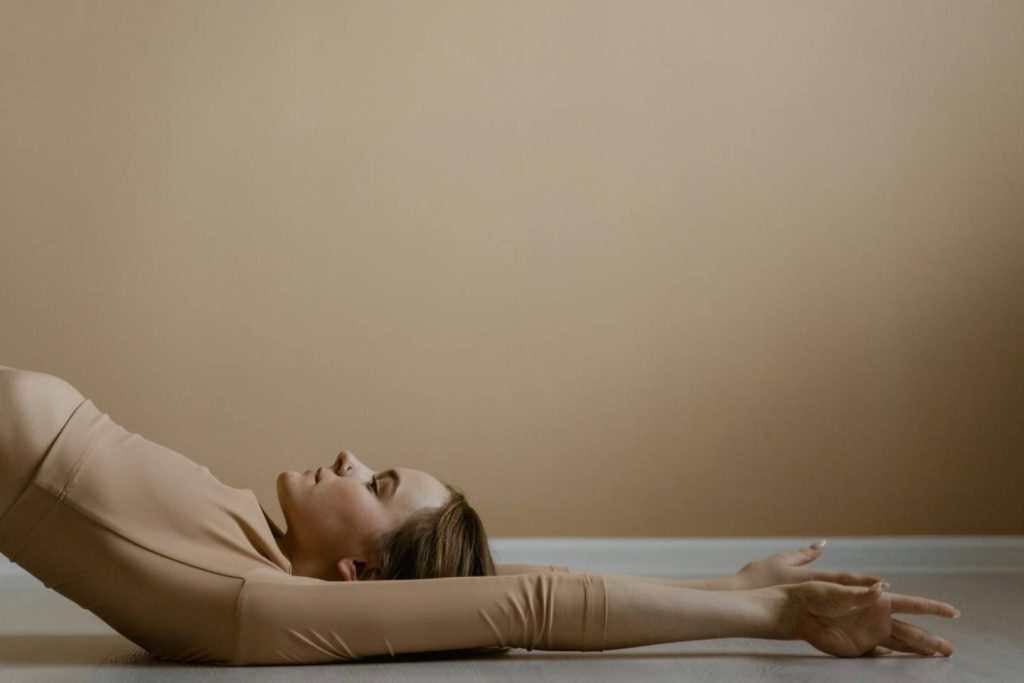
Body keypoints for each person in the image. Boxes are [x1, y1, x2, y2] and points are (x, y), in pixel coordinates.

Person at [0, 364, 959, 666]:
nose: (351, 457)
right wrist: (731, 582)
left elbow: (535, 607)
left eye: (378, 485)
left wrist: (772, 616)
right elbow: (527, 582)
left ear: (362, 578)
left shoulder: (261, 606)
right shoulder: (257, 554)